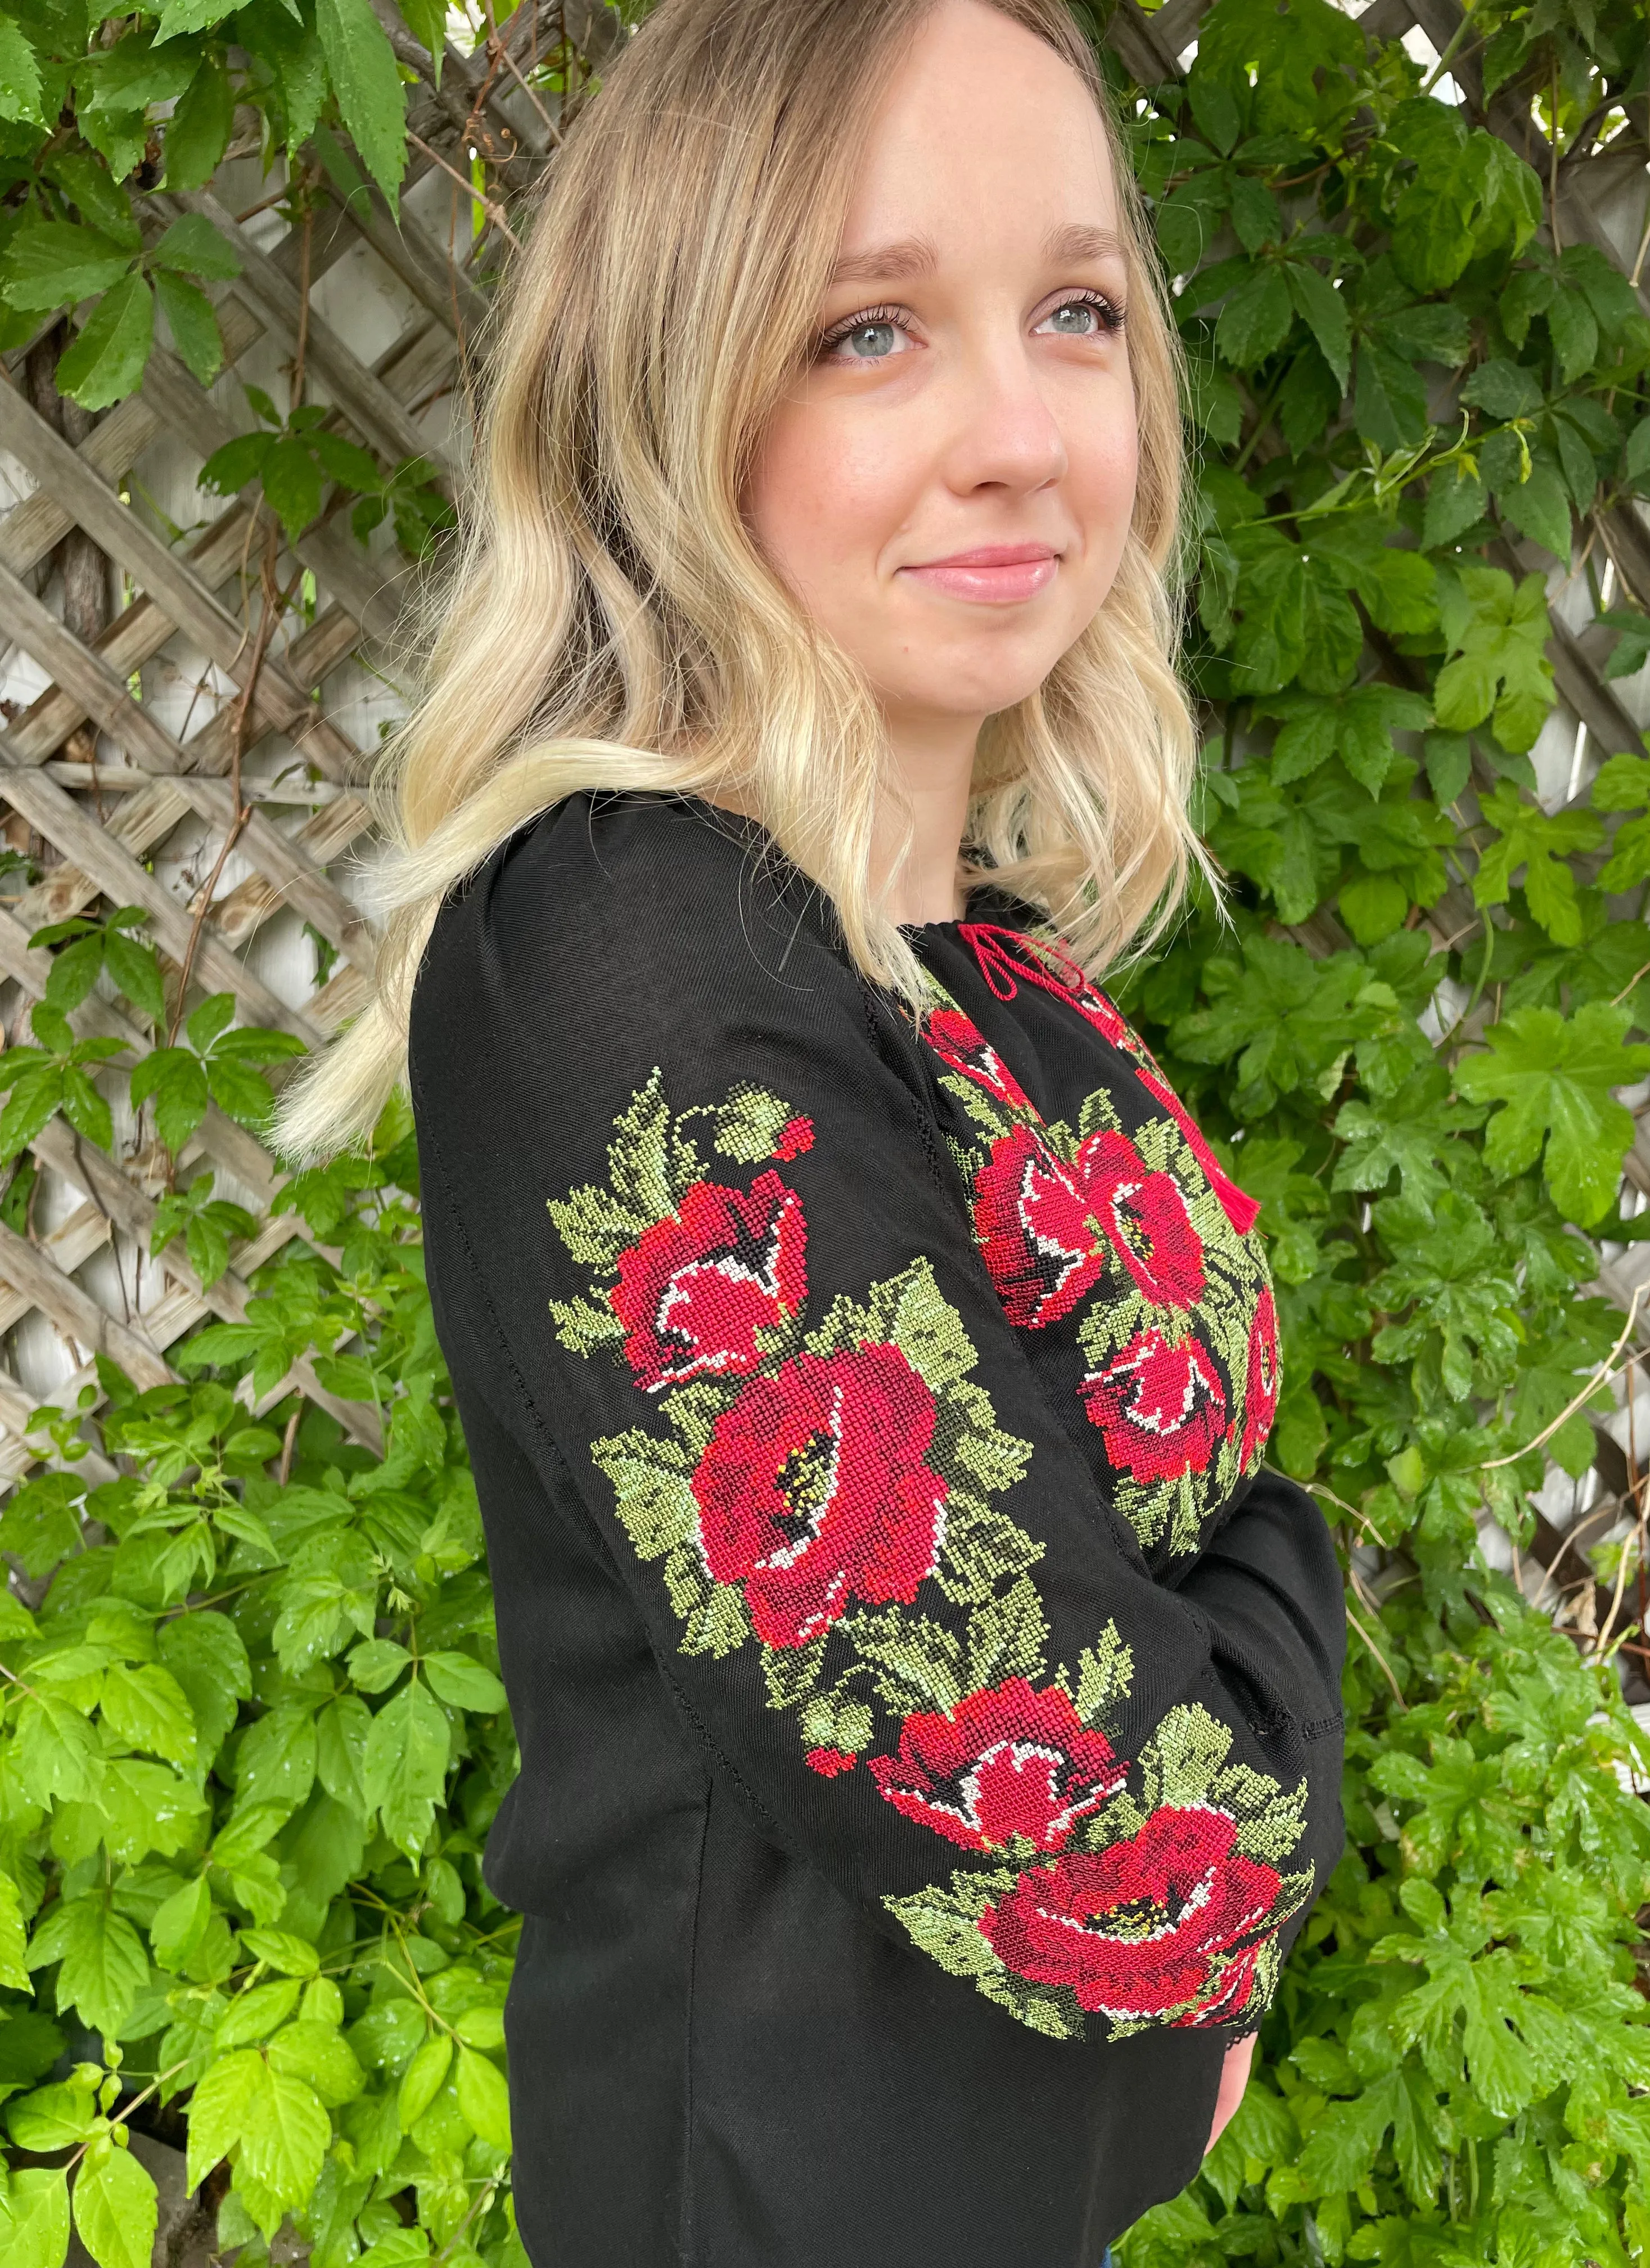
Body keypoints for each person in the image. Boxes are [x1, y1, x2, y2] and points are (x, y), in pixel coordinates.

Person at [278, 0, 1347, 2260]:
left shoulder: (965, 955)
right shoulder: (627, 962)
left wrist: (1206, 1918)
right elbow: (1091, 1854)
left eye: (1075, 312)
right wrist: (1293, 1579)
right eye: (870, 328)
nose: (1018, 435)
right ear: (668, 397)